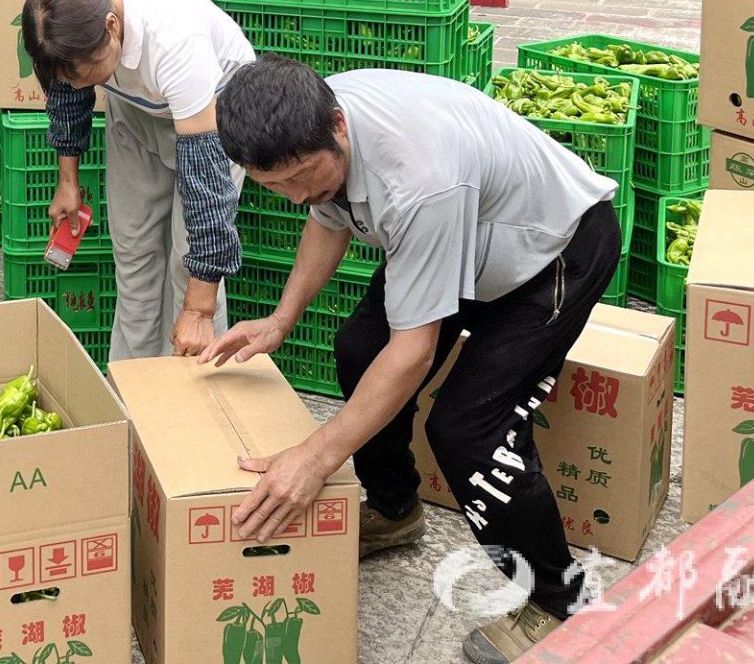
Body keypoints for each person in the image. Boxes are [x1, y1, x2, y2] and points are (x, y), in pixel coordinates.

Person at [202, 57, 620, 664]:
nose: (296, 196)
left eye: (301, 176)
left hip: (547, 253)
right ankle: (396, 509)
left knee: (468, 431)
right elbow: (326, 217)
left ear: (338, 128)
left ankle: (561, 602)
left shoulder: (418, 178)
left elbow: (413, 351)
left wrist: (315, 459)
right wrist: (280, 319)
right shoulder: (307, 124)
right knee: (357, 349)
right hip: (466, 241)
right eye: (275, 186)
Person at [20, 0, 255, 360]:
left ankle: (196, 395)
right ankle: (133, 387)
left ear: (112, 26)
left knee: (189, 260)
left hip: (213, 115)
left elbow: (207, 185)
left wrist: (199, 310)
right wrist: (68, 181)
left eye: (84, 73)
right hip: (138, 107)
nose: (79, 85)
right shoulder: (72, 15)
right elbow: (67, 91)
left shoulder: (176, 38)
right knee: (132, 255)